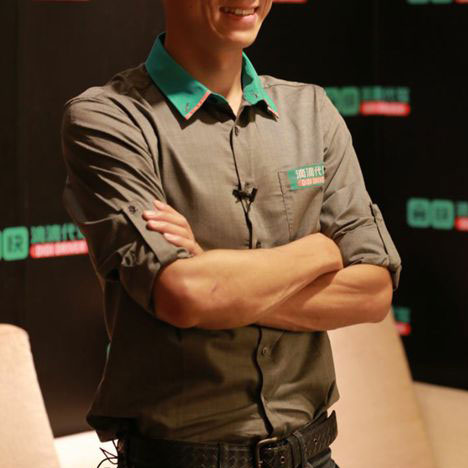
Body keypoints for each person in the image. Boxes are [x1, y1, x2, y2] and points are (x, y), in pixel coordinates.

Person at [61, 1, 402, 467]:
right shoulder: (108, 118)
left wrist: (217, 279)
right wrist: (321, 250)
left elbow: (373, 292)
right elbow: (185, 295)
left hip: (313, 454)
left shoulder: (312, 111)